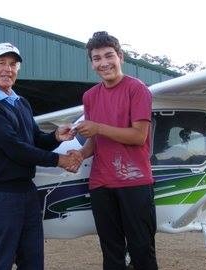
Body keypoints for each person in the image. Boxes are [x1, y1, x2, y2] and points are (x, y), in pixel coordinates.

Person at [0, 42, 82, 270]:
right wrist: (60, 160)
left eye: (13, 64)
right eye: (1, 63)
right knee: (0, 261)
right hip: (0, 194)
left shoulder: (20, 103)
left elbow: (34, 138)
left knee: (32, 260)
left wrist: (55, 137)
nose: (7, 69)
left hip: (27, 191)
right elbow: (14, 147)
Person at [70, 32, 158, 269]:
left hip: (135, 182)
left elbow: (139, 136)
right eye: (97, 58)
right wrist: (80, 153)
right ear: (92, 63)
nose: (104, 63)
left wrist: (97, 126)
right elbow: (95, 140)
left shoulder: (137, 89)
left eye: (109, 56)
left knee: (142, 252)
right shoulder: (90, 97)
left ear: (120, 56)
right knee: (112, 254)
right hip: (101, 183)